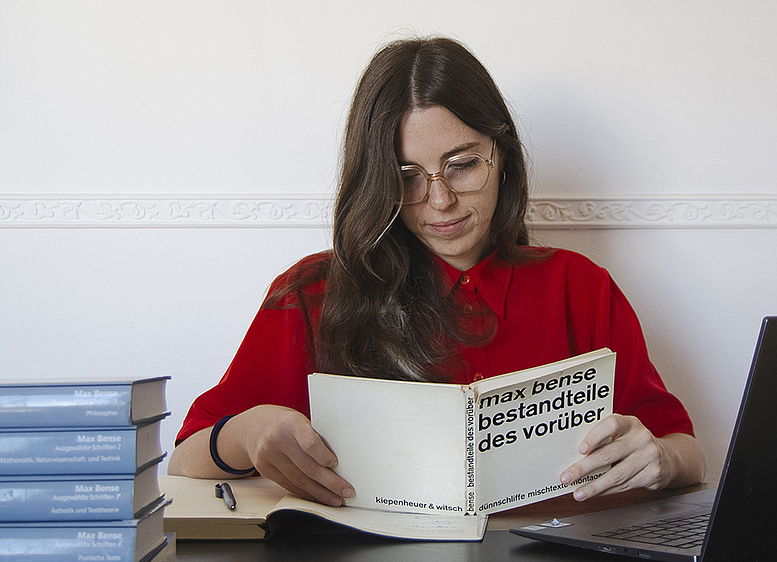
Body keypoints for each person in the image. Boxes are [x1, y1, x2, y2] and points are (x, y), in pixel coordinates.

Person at [168, 36, 705, 507]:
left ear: (503, 156)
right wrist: (250, 432)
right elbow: (185, 457)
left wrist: (660, 457)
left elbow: (687, 453)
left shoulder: (579, 286)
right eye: (407, 176)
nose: (440, 200)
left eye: (463, 164)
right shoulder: (313, 293)